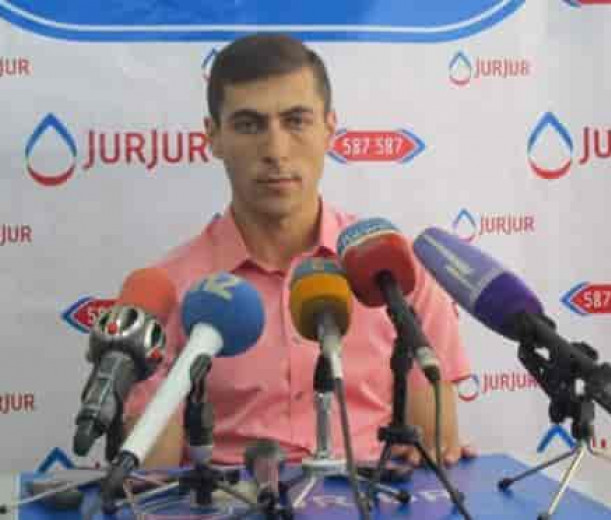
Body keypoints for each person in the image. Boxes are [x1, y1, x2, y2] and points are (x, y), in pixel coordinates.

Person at [124, 33, 475, 468]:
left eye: (296, 121)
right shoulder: (168, 291)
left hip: (369, 496)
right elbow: (151, 481)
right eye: (249, 125)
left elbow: (436, 456)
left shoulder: (394, 272)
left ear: (329, 128)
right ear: (213, 137)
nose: (276, 151)